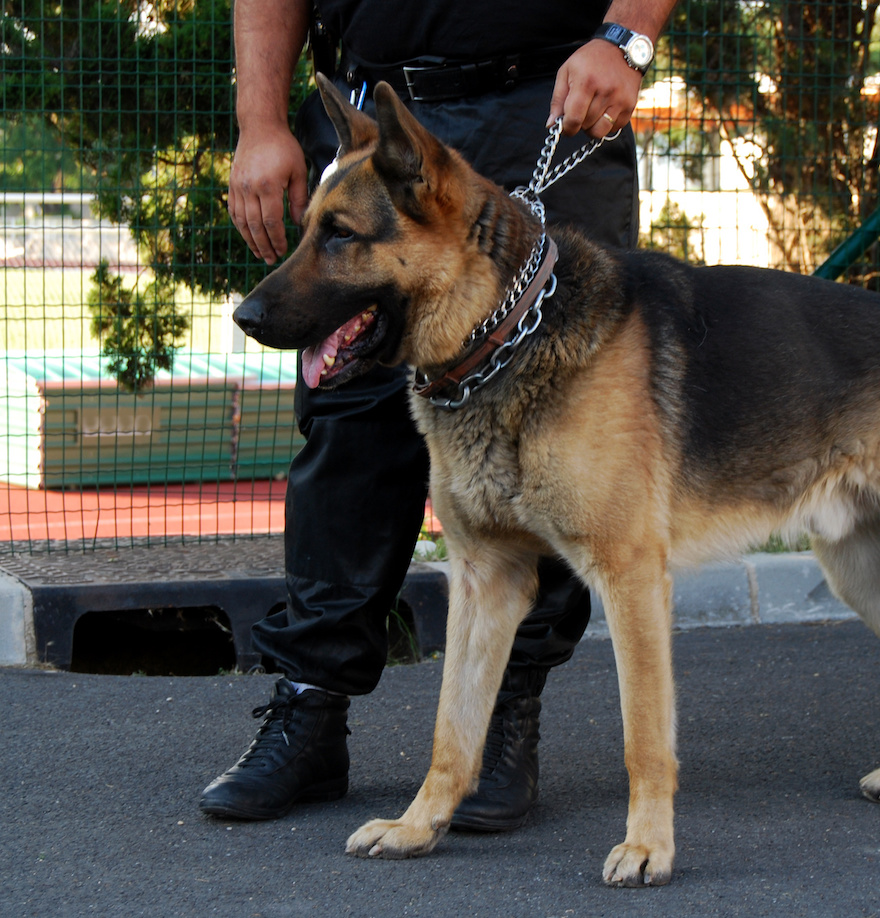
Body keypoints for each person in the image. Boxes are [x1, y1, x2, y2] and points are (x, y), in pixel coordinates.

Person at [200, 0, 678, 830]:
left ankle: (504, 721)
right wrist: (260, 119)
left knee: (565, 436)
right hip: (365, 120)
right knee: (348, 426)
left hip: (548, 100)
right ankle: (310, 711)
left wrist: (626, 36)